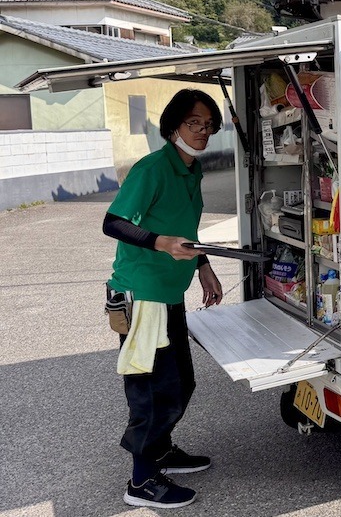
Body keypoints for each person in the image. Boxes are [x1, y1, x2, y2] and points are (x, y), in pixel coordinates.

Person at [102, 89, 224, 509]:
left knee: (179, 383)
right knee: (153, 390)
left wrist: (203, 266)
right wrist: (158, 243)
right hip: (143, 296)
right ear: (173, 125)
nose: (202, 131)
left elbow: (185, 227)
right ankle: (141, 481)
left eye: (208, 124)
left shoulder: (191, 170)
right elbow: (113, 222)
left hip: (170, 292)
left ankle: (163, 451)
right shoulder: (153, 168)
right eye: (194, 122)